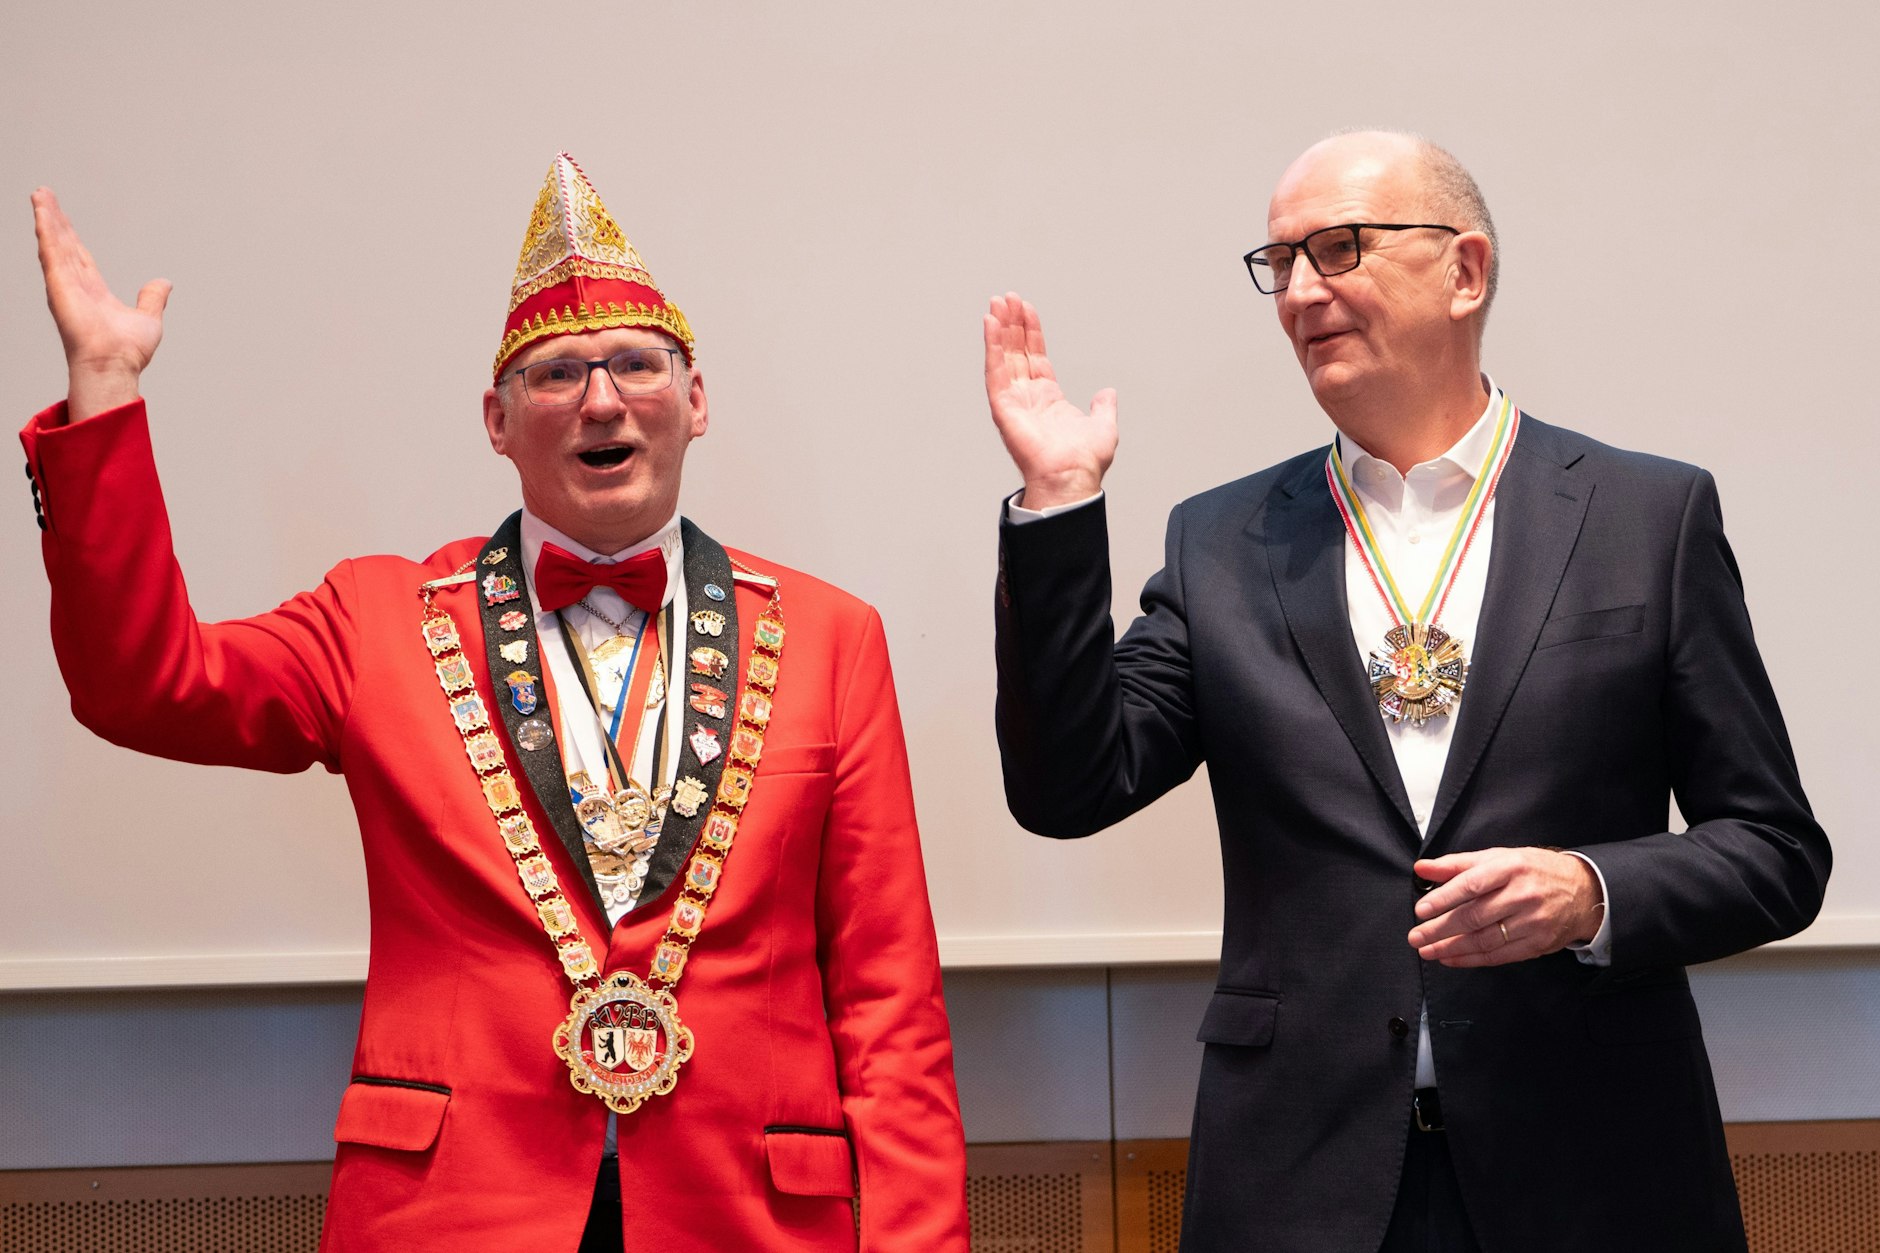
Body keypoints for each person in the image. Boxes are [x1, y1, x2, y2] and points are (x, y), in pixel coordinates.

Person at [25, 152, 969, 1252]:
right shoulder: (375, 617)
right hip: (456, 1210)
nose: (603, 396)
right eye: (558, 374)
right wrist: (104, 391)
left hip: (748, 1215)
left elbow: (887, 1005)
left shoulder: (830, 637)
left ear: (696, 400)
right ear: (497, 418)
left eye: (635, 364)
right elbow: (142, 685)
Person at [983, 130, 1829, 1253]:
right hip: (1299, 1176)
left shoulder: (1644, 518)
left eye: (1337, 248)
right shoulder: (1221, 542)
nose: (1297, 291)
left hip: (1590, 1166)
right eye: (1276, 262)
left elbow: (1773, 849)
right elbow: (1068, 786)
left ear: (1464, 269)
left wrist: (1590, 889)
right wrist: (1055, 508)